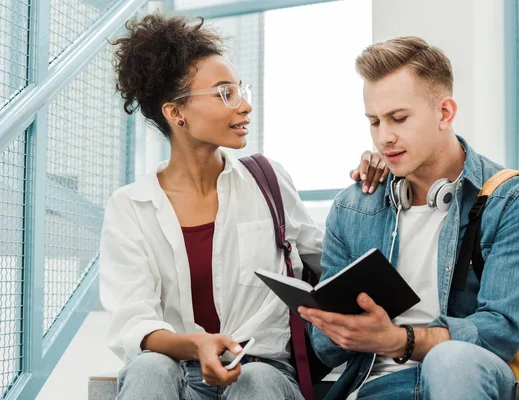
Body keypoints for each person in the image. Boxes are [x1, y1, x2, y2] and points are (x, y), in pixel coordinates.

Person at [100, 13, 387, 400]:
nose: (245, 105)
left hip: (263, 371)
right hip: (174, 373)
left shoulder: (267, 181)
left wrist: (381, 185)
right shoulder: (130, 207)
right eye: (225, 93)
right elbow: (131, 321)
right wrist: (194, 346)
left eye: (240, 90)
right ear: (176, 112)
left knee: (257, 381)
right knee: (149, 367)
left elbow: (335, 265)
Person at [301, 36, 519, 400]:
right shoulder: (353, 207)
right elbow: (324, 347)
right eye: (374, 121)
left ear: (445, 113)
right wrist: (336, 324)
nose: (384, 138)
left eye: (399, 118)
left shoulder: (511, 200)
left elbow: (499, 333)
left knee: (450, 361)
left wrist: (398, 341)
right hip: (377, 388)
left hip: (469, 381)